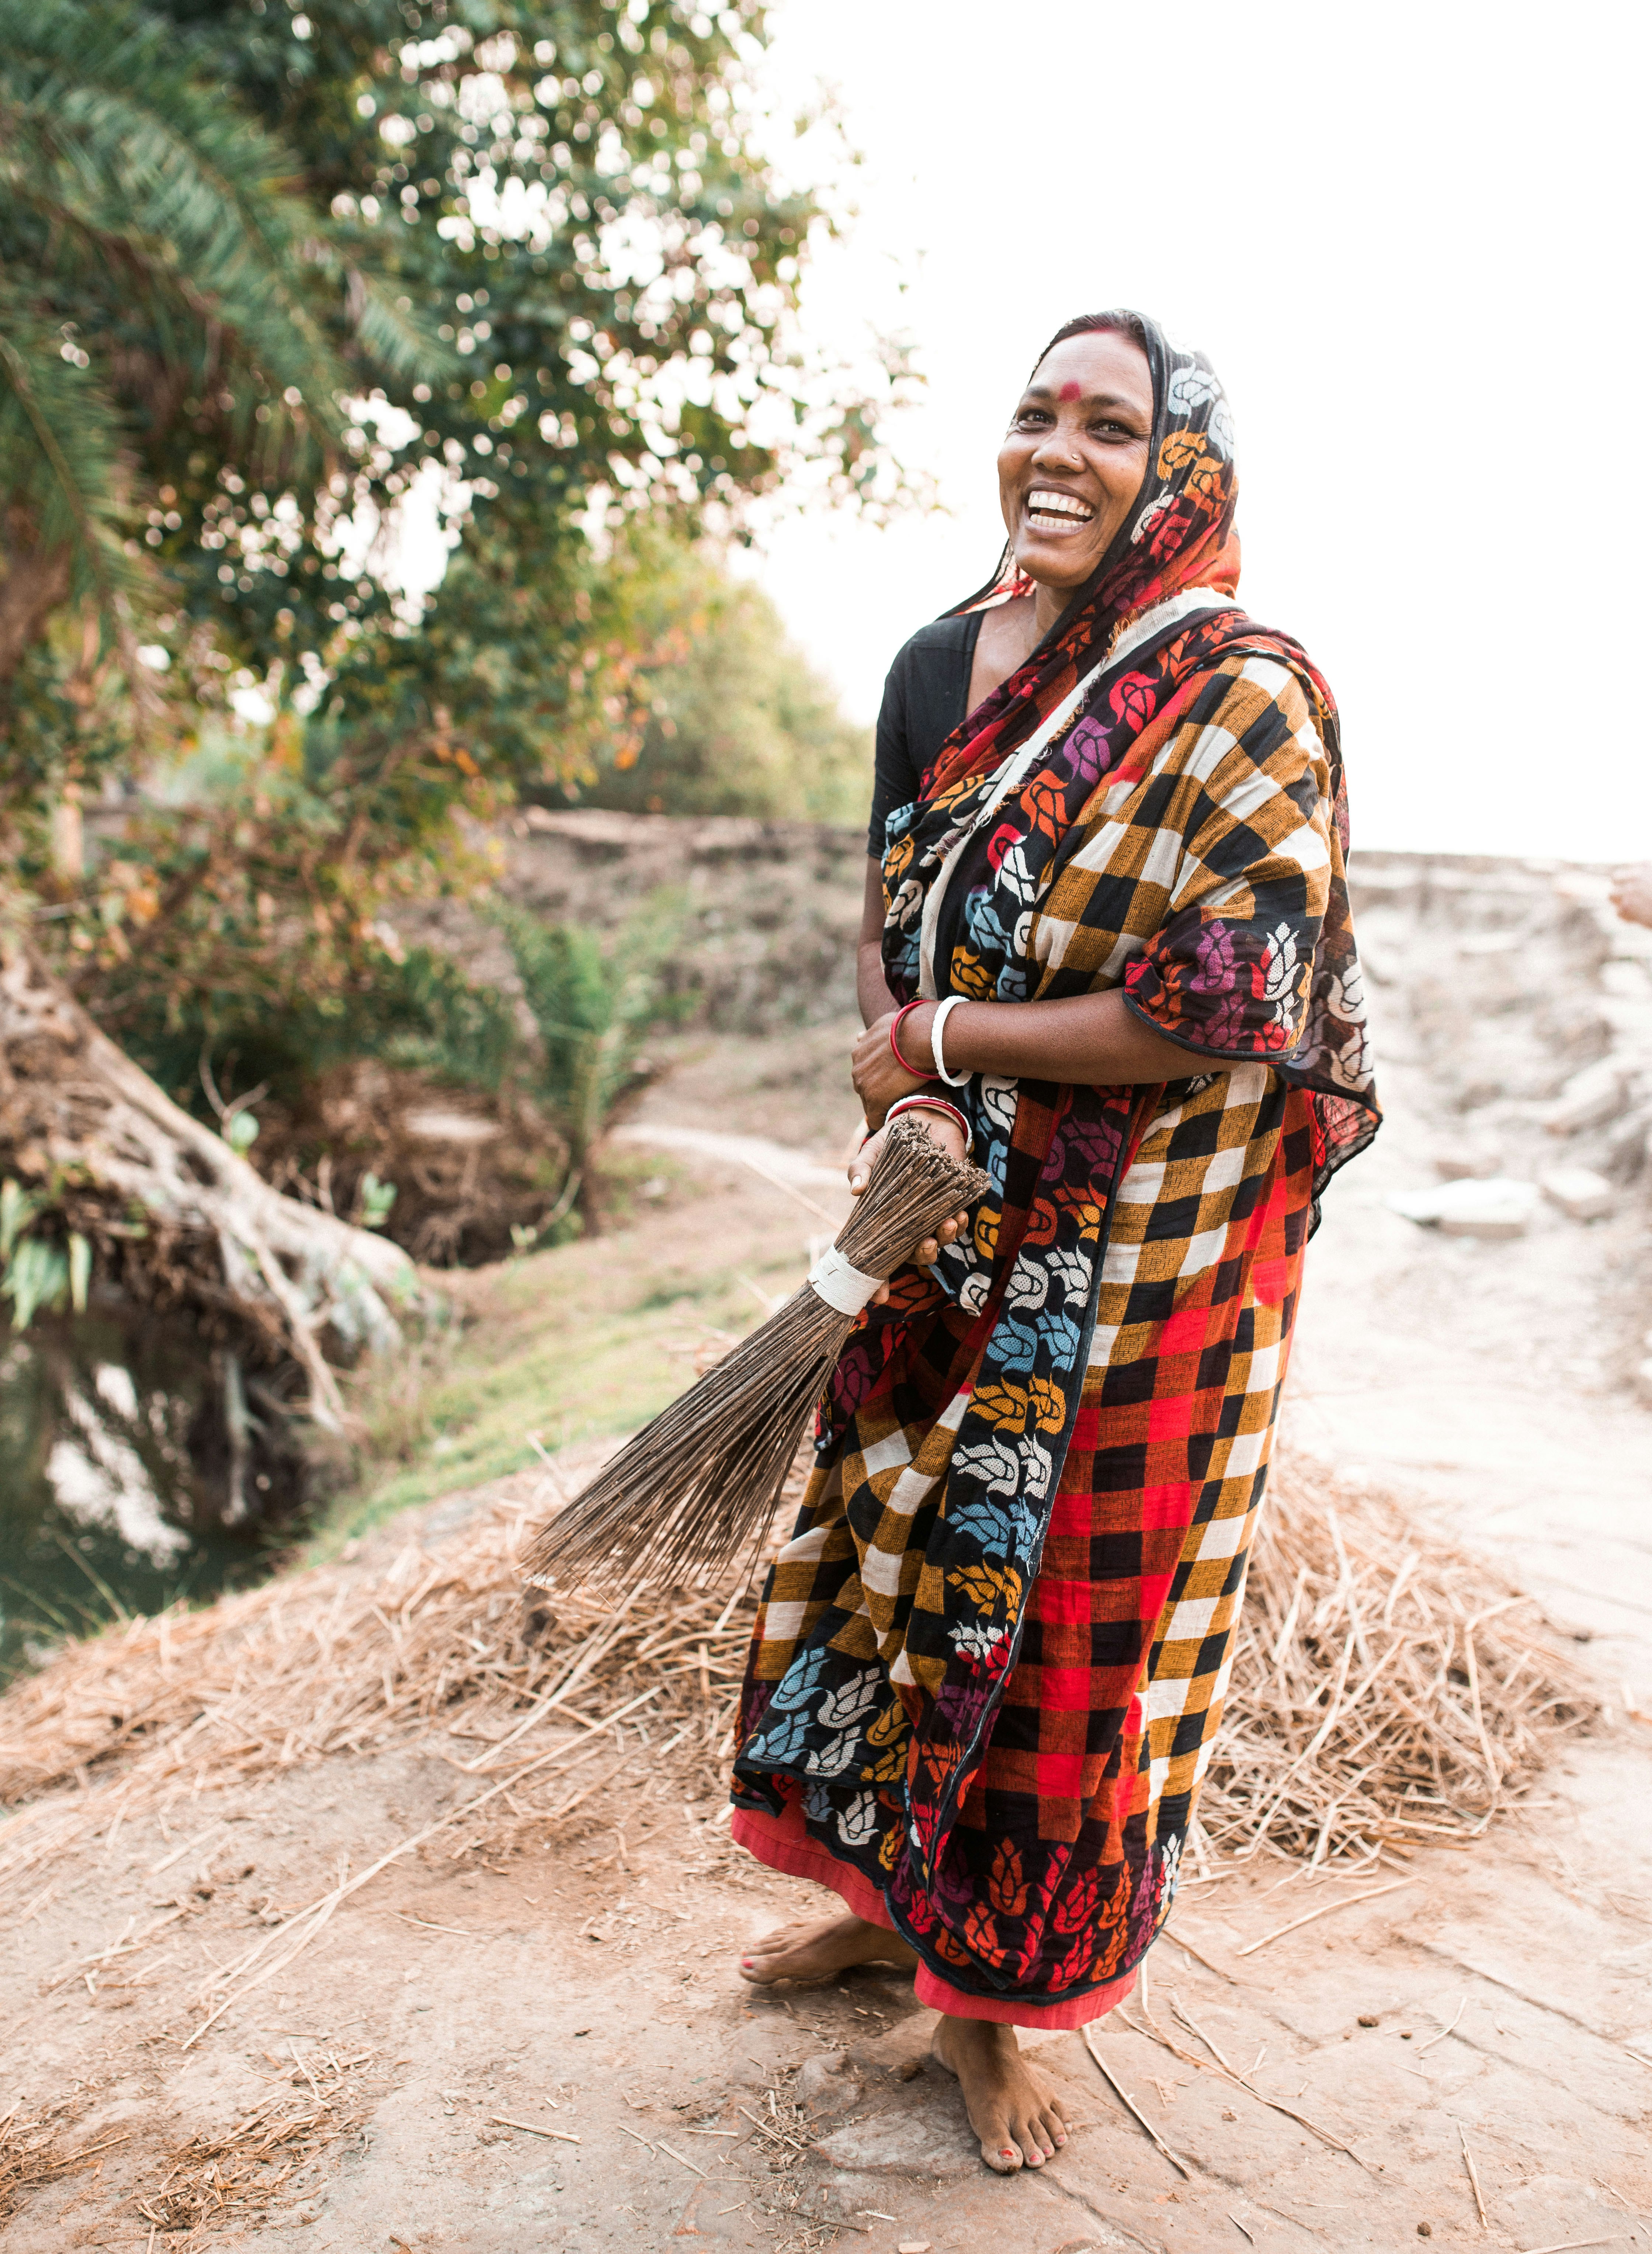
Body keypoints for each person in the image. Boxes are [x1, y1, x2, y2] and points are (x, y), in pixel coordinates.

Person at [727, 310, 1381, 2174]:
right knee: (890, 1553)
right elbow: (891, 920)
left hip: (1155, 1261)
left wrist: (948, 1045)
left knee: (1066, 1615)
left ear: (1177, 467)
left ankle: (988, 2004)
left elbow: (1220, 1003)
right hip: (946, 1227)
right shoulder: (940, 664)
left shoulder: (1242, 692)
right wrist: (908, 1102)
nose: (1059, 451)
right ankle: (875, 1901)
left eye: (1110, 422)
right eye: (1035, 414)